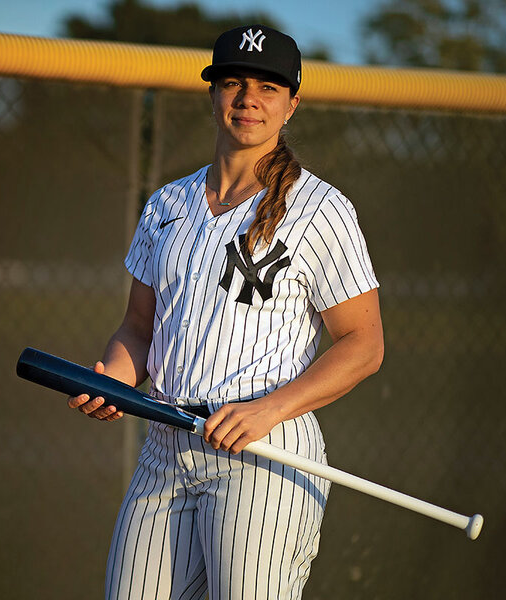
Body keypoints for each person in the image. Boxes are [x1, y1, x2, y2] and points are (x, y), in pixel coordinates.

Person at [69, 25, 384, 600]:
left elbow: (363, 344)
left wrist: (269, 410)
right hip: (165, 451)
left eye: (268, 87)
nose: (248, 99)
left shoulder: (321, 209)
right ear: (211, 94)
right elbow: (138, 328)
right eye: (233, 82)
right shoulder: (167, 204)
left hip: (265, 456)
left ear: (292, 104)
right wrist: (114, 378)